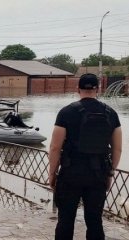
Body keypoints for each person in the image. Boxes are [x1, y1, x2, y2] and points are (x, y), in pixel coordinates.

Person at [48, 73, 122, 240]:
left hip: (70, 174)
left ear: (78, 89)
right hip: (98, 175)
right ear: (98, 89)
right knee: (95, 221)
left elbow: (54, 147)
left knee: (66, 220)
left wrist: (52, 174)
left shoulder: (66, 112)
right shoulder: (111, 113)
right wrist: (110, 173)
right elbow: (117, 149)